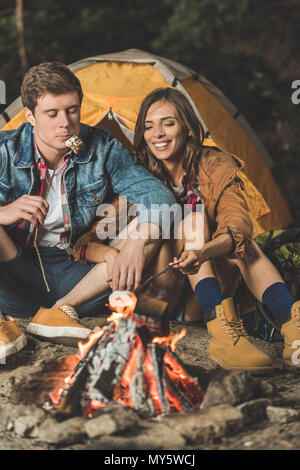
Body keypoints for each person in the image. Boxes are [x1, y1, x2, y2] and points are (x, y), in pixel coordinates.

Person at [0, 63, 177, 361]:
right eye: (52, 114)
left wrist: (137, 241)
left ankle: (59, 313)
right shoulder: (6, 149)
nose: (65, 123)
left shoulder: (102, 148)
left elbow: (163, 199)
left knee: (150, 230)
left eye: (72, 110)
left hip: (77, 276)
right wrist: (3, 213)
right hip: (14, 272)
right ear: (30, 116)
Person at [131, 87, 300, 371]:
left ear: (187, 128)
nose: (157, 134)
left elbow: (237, 223)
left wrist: (203, 251)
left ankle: (291, 328)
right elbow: (100, 230)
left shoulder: (215, 165)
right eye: (149, 126)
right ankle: (223, 333)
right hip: (160, 292)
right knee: (193, 220)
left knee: (241, 243)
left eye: (168, 123)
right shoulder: (135, 172)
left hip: (204, 292)